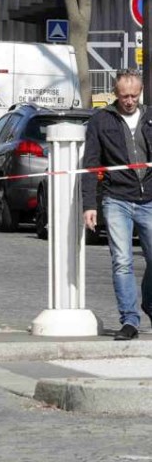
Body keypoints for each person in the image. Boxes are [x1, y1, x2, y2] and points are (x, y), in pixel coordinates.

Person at [82, 69, 152, 341]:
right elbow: (90, 163)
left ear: (141, 92)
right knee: (122, 261)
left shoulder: (149, 118)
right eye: (124, 96)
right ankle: (129, 320)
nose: (130, 101)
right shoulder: (101, 120)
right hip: (116, 198)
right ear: (115, 94)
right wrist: (90, 204)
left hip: (149, 197)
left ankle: (148, 301)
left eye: (134, 95)